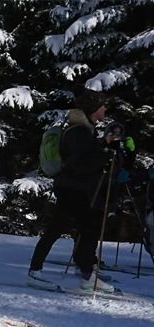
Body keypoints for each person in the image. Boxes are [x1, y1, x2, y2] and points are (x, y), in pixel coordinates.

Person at [28, 89, 117, 293]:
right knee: (81, 227)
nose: (105, 109)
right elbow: (80, 164)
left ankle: (82, 273)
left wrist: (105, 143)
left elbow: (85, 153)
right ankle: (82, 274)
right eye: (102, 105)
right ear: (94, 109)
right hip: (71, 188)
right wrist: (104, 156)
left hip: (72, 187)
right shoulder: (79, 131)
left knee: (70, 228)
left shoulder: (84, 130)